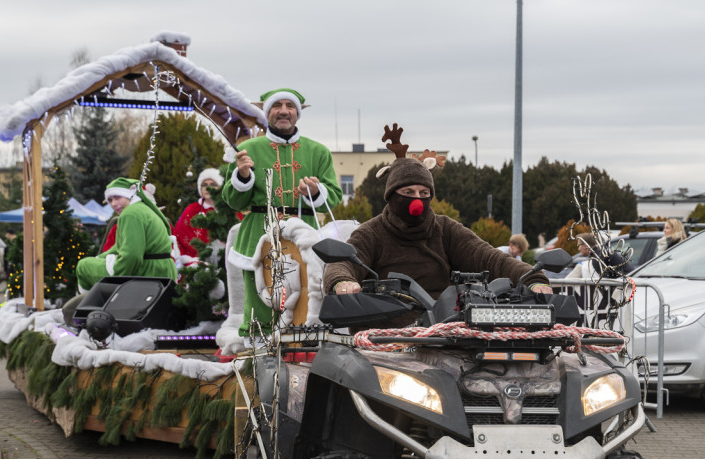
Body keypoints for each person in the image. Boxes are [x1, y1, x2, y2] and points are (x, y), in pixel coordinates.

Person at [323, 157, 551, 328]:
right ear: (392, 195)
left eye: (424, 192)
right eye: (408, 191)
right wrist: (341, 280)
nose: (417, 199)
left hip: (443, 332)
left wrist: (532, 278)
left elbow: (489, 257)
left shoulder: (446, 229)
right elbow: (344, 260)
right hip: (386, 338)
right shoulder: (371, 233)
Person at [223, 88, 342, 335]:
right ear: (268, 113)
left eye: (290, 106)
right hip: (259, 233)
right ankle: (256, 359)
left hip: (304, 234)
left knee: (307, 299)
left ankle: (303, 353)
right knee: (260, 299)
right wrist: (242, 176)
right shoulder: (248, 150)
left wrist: (315, 191)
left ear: (297, 113)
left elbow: (335, 196)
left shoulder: (318, 151)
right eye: (277, 106)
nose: (284, 111)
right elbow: (233, 201)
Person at [75, 177, 176, 292]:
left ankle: (89, 304)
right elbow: (119, 246)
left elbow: (132, 257)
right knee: (91, 262)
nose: (113, 204)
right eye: (110, 200)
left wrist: (115, 276)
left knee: (83, 267)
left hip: (148, 273)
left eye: (117, 197)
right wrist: (99, 259)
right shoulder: (144, 209)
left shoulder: (130, 213)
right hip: (163, 272)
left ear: (130, 194)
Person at [174, 168, 221, 263]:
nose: (208, 188)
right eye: (204, 185)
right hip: (194, 263)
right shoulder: (192, 209)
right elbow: (179, 236)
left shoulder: (227, 209)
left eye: (213, 184)